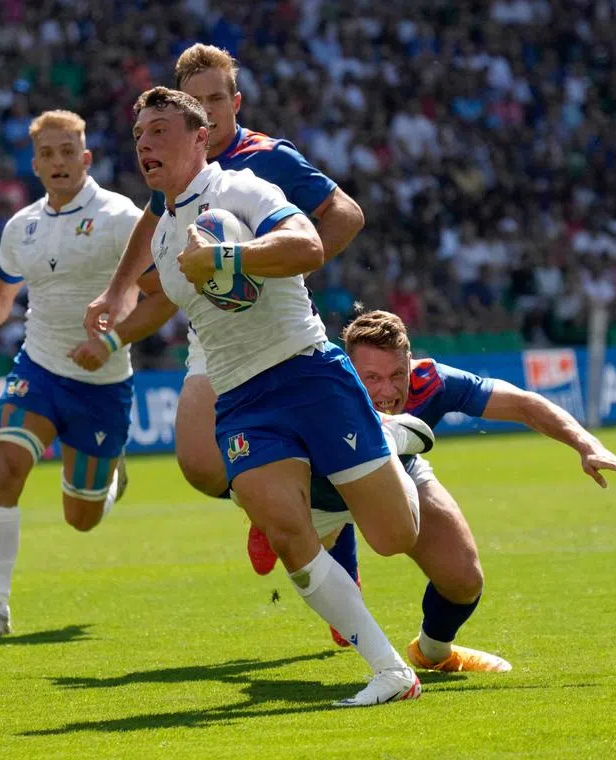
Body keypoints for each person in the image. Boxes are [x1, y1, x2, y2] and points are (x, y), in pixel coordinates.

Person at [73, 87, 422, 707]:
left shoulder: (243, 190)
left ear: (199, 136)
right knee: (287, 534)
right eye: (138, 136)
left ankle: (392, 439)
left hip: (309, 373)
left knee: (394, 536)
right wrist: (113, 302)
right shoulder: (162, 236)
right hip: (239, 397)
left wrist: (226, 255)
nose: (145, 144)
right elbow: (170, 294)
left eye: (159, 130)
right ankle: (390, 670)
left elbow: (308, 246)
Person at [255, 309, 616, 672]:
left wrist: (586, 444)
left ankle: (433, 652)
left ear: (410, 366)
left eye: (396, 375)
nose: (386, 391)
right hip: (318, 496)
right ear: (348, 369)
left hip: (398, 473)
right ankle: (289, 531)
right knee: (310, 559)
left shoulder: (431, 382)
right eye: (371, 378)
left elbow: (523, 404)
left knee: (463, 579)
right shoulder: (321, 389)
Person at [84, 44, 366, 501]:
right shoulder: (178, 165)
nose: (209, 112)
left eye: (217, 99)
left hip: (274, 324)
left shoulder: (267, 157)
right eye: (198, 102)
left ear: (235, 103)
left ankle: (315, 507)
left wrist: (284, 264)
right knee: (200, 465)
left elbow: (346, 214)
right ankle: (286, 506)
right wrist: (117, 291)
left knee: (321, 460)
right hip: (212, 333)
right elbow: (151, 218)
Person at [0, 110, 142, 640]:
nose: (58, 162)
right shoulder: (22, 226)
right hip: (39, 368)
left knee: (81, 518)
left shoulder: (120, 216)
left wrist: (108, 337)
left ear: (85, 157)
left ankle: (109, 482)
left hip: (102, 378)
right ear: (35, 164)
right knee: (6, 463)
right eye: (47, 154)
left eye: (67, 152)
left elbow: (140, 289)